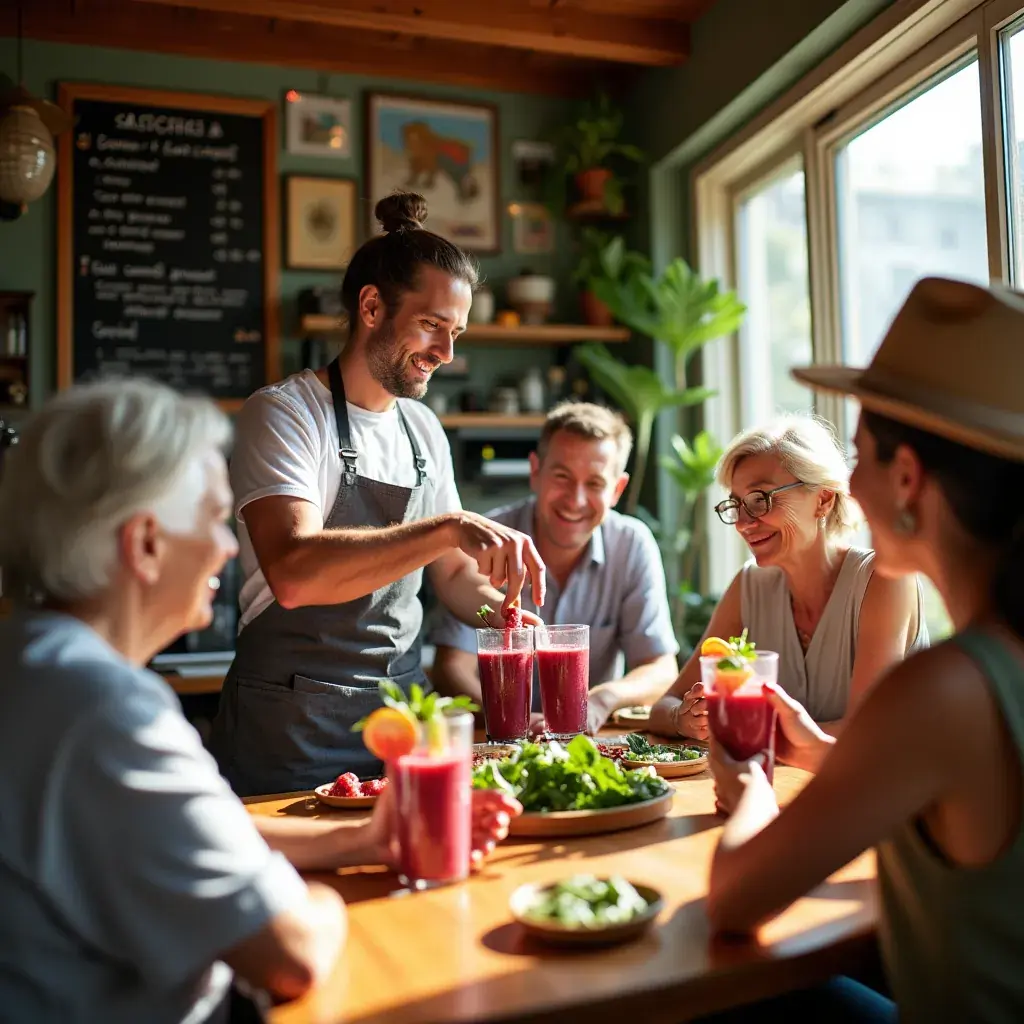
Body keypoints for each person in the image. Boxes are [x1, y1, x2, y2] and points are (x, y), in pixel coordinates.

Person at [0, 379, 520, 1021]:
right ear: (144, 544)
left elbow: (204, 826)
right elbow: (293, 953)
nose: (228, 547)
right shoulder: (105, 709)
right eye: (215, 520)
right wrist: (324, 900)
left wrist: (363, 841)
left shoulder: (34, 663)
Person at [704, 276, 1024, 1022]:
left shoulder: (945, 688)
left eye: (861, 456)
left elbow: (733, 899)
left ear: (907, 476)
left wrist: (749, 775)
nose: (847, 483)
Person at [209, 192, 546, 796]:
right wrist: (448, 527)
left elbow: (449, 577)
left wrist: (507, 616)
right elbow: (294, 571)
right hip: (289, 729)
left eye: (457, 333)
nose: (446, 354)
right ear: (371, 306)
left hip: (401, 723)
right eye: (431, 326)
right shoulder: (285, 414)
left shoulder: (423, 430)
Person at [649, 414, 927, 741]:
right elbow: (662, 707)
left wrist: (750, 732)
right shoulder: (750, 586)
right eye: (737, 505)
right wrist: (684, 719)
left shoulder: (883, 580)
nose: (742, 523)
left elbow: (864, 736)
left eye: (760, 499)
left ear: (823, 499)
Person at [429, 402, 678, 733]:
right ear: (535, 471)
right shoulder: (488, 539)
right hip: (498, 740)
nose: (575, 500)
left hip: (590, 743)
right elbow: (451, 667)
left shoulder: (632, 544)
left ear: (617, 489)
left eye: (594, 484)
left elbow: (660, 668)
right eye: (562, 477)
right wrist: (513, 721)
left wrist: (601, 699)